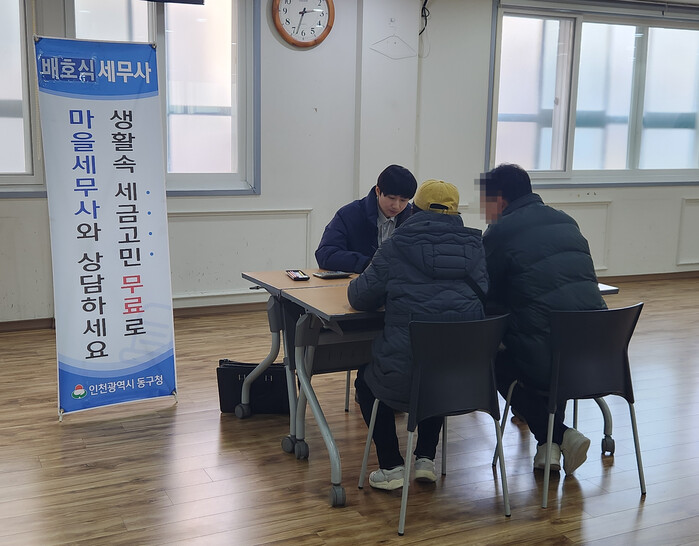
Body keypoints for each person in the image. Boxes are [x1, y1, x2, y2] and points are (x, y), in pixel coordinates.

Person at [348, 179, 488, 490]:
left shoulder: (396, 245)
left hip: (405, 374)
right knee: (439, 357)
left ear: (414, 210)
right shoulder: (477, 246)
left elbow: (359, 297)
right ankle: (425, 458)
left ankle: (391, 466)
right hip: (464, 376)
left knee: (368, 383)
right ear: (456, 213)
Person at [479, 163, 607, 475]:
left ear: (500, 200)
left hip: (548, 356)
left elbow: (487, 292)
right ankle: (548, 449)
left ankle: (558, 436)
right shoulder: (566, 220)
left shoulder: (500, 231)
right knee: (550, 338)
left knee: (490, 358)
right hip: (595, 351)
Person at [315, 164, 418, 273]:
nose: (396, 206)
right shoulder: (349, 214)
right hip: (359, 280)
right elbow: (326, 254)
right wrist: (367, 264)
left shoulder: (413, 218)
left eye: (403, 200)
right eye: (391, 198)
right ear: (378, 191)